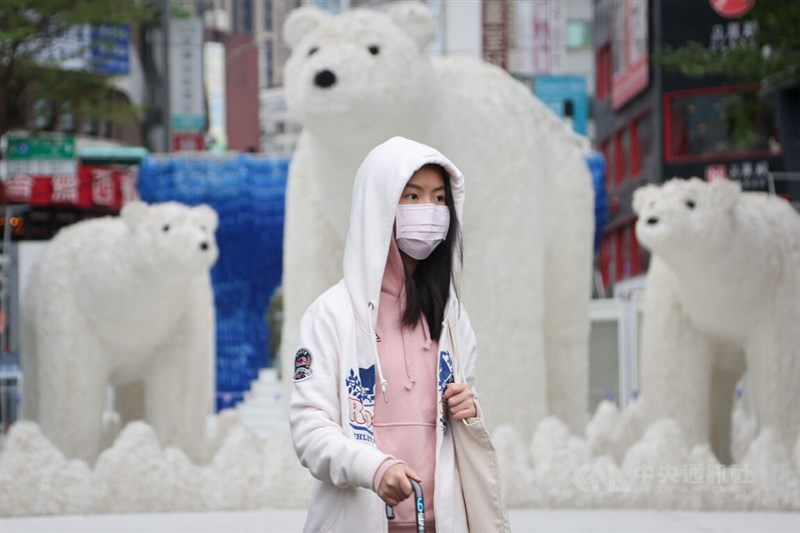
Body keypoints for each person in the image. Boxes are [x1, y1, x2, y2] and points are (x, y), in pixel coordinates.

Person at [289, 136, 491, 532]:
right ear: (377, 206)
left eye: (438, 198)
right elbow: (310, 431)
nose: (429, 211)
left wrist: (470, 410)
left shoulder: (452, 318)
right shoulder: (331, 315)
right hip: (357, 520)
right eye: (412, 197)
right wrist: (375, 468)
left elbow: (456, 425)